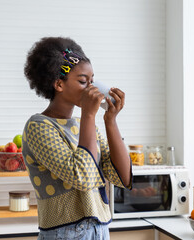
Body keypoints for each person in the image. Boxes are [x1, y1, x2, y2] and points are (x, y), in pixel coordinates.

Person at [22, 37, 132, 240]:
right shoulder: (38, 126)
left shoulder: (87, 126)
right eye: (83, 81)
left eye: (92, 81)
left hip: (100, 231)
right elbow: (82, 177)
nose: (92, 88)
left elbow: (123, 177)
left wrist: (110, 121)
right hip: (63, 233)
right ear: (59, 84)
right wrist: (90, 115)